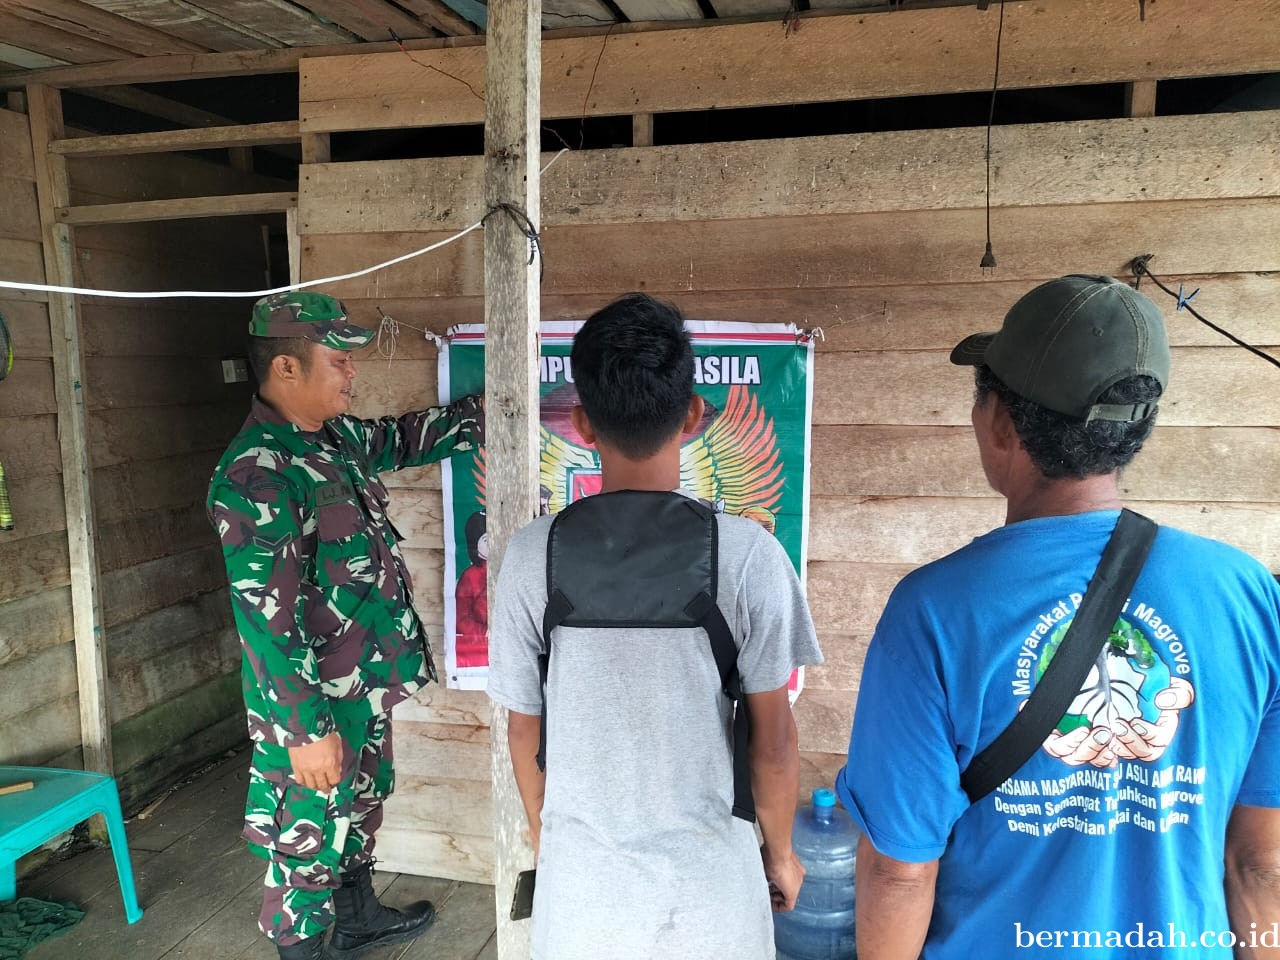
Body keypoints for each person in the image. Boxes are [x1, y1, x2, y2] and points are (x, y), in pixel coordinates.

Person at [836, 275, 1280, 960]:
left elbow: (899, 869)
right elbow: (1258, 865)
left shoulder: (934, 611)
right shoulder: (1249, 596)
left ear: (1002, 423)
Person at [487, 293, 823, 960]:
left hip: (582, 896)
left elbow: (523, 727)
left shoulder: (532, 557)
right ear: (694, 413)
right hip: (710, 894)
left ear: (582, 423)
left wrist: (547, 840)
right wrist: (780, 855)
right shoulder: (749, 555)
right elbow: (774, 738)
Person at [207, 291, 484, 960]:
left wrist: (500, 407)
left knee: (360, 807)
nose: (352, 374)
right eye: (339, 361)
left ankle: (356, 920)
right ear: (287, 369)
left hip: (360, 683)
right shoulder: (256, 476)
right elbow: (266, 628)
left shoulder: (334, 440)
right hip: (309, 708)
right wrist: (305, 732)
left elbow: (405, 437)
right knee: (305, 840)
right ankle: (304, 948)